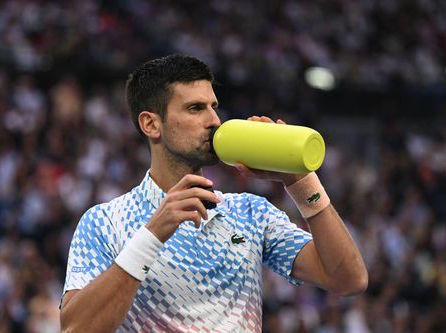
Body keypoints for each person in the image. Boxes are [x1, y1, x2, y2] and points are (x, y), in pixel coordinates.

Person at [59, 54, 368, 332]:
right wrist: (152, 235)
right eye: (195, 109)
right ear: (151, 124)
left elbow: (349, 279)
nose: (214, 121)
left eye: (213, 107)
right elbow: (76, 328)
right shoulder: (106, 222)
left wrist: (300, 182)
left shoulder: (249, 213)